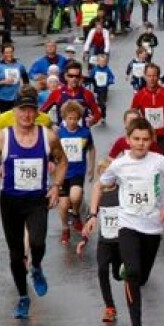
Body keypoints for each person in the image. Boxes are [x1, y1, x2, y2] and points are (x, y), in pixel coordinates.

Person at [82, 118, 164, 326]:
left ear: (151, 140)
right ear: (127, 140)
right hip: (127, 224)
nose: (141, 144)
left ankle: (125, 271)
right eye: (136, 139)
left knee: (142, 277)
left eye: (145, 139)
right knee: (133, 274)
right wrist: (92, 214)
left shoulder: (159, 161)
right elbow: (99, 185)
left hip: (153, 227)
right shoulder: (119, 164)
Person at [0, 89, 69, 319]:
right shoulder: (2, 137)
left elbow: (63, 160)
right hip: (10, 201)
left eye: (31, 110)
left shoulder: (48, 137)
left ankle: (36, 267)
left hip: (37, 199)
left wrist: (56, 186)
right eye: (22, 110)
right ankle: (23, 297)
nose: (26, 115)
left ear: (37, 112)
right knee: (16, 254)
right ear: (14, 112)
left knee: (37, 242)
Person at [77, 158, 123, 323]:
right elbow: (90, 220)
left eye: (109, 172)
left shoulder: (122, 192)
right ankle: (109, 307)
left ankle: (125, 273)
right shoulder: (98, 196)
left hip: (121, 242)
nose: (106, 176)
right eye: (103, 173)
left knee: (118, 275)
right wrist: (84, 240)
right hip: (105, 241)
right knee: (102, 270)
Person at [56, 101, 95, 246]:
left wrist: (91, 167)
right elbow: (53, 151)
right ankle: (65, 228)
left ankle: (76, 214)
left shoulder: (85, 133)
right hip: (62, 174)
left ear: (79, 118)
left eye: (75, 118)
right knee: (64, 205)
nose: (72, 121)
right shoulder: (59, 133)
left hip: (78, 172)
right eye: (69, 118)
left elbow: (91, 148)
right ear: (64, 118)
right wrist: (52, 164)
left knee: (75, 195)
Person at [130, 62, 164, 156]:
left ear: (158, 77)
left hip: (163, 135)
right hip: (145, 135)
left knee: (162, 161)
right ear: (144, 76)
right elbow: (132, 115)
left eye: (154, 76)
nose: (152, 79)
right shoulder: (139, 96)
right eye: (149, 76)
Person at [40, 62, 104, 126]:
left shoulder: (87, 94)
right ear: (65, 76)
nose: (74, 79)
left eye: (77, 76)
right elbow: (41, 112)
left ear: (80, 77)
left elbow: (97, 113)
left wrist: (93, 120)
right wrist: (50, 125)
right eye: (71, 76)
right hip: (62, 134)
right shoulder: (57, 93)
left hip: (82, 134)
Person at [0, 44, 30, 113]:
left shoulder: (19, 65)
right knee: (6, 120)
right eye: (7, 53)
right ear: (2, 54)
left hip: (16, 98)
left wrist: (24, 91)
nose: (9, 54)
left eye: (11, 52)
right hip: (2, 98)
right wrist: (3, 82)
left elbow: (26, 81)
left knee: (16, 119)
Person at [86, 52, 115, 119]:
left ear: (106, 62)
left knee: (102, 102)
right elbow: (91, 77)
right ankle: (97, 112)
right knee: (96, 101)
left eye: (104, 62)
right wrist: (86, 82)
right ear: (98, 62)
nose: (102, 63)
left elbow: (111, 77)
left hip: (104, 89)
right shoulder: (95, 69)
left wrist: (110, 81)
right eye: (101, 62)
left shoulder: (107, 70)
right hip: (96, 88)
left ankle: (103, 114)